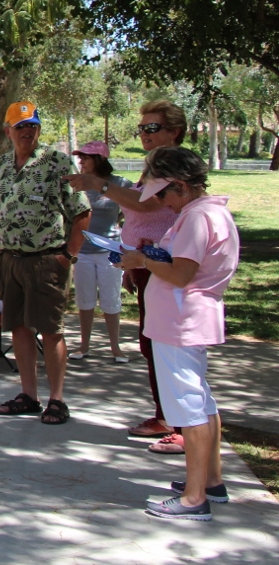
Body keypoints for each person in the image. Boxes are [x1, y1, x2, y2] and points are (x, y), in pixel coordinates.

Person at [117, 147, 237, 521]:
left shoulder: (199, 217)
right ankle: (210, 481)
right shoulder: (204, 213)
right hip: (183, 321)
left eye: (164, 193)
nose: (162, 203)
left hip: (180, 324)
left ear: (181, 186)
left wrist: (141, 260)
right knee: (201, 403)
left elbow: (182, 273)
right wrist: (152, 255)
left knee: (189, 407)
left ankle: (193, 497)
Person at [65, 99, 188, 452]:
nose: (145, 135)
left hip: (166, 264)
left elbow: (145, 205)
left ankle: (181, 425)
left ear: (174, 132)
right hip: (146, 264)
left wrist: (97, 184)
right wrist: (134, 263)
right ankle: (166, 415)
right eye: (142, 129)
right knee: (152, 344)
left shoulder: (173, 166)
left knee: (169, 347)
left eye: (152, 128)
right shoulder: (155, 165)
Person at [0, 101, 90, 425]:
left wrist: (67, 256)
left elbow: (82, 213)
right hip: (10, 261)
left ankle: (57, 399)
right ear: (7, 131)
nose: (27, 131)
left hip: (46, 261)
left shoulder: (57, 162)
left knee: (51, 330)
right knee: (18, 327)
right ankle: (28, 394)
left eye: (33, 125)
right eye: (21, 126)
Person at [68, 140, 131, 364]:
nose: (81, 161)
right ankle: (84, 345)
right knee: (84, 300)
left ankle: (116, 348)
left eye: (86, 157)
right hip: (82, 252)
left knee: (110, 300)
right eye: (80, 157)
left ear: (100, 159)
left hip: (110, 251)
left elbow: (135, 206)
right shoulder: (77, 183)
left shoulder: (119, 183)